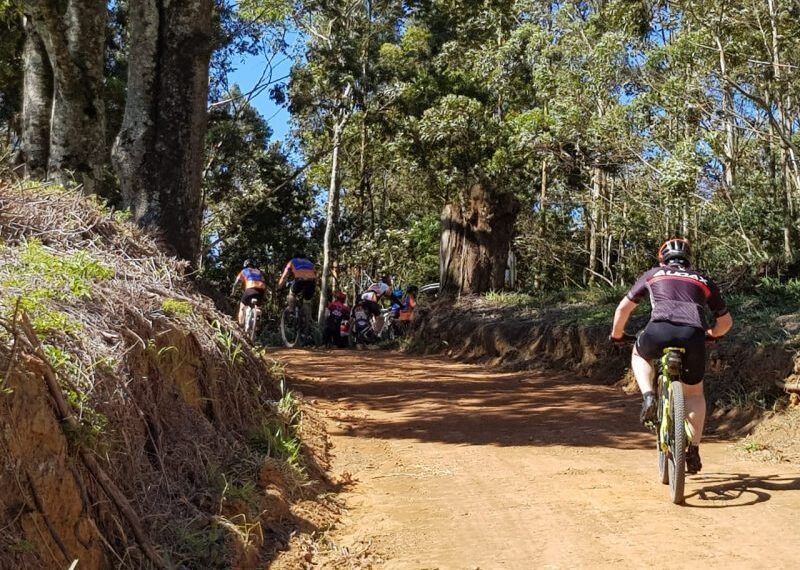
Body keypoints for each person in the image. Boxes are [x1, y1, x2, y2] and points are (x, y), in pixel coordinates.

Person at [610, 238, 733, 474]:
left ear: (662, 258)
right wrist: (711, 335)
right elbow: (725, 322)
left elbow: (623, 309)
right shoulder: (703, 280)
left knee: (639, 353)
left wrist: (617, 336)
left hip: (659, 331)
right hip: (693, 334)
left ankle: (648, 395)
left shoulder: (653, 274)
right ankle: (694, 450)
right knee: (695, 393)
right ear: (688, 259)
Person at [231, 259, 267, 327]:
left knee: (242, 305)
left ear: (245, 265)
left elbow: (236, 283)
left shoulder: (244, 271)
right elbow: (264, 283)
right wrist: (263, 296)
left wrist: (233, 292)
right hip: (261, 290)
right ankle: (258, 315)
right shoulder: (259, 272)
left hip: (250, 289)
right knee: (258, 305)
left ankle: (240, 326)